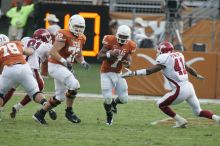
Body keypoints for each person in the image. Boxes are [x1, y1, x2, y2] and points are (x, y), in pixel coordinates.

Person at [121, 41, 220, 128]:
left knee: (160, 104)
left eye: (159, 50)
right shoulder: (179, 55)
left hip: (180, 89)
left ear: (163, 51)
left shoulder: (164, 58)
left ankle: (180, 120)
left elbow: (150, 71)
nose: (158, 52)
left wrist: (133, 73)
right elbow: (188, 67)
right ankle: (217, 118)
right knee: (198, 111)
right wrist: (196, 75)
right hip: (189, 86)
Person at [32, 14, 90, 124]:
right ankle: (69, 111)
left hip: (64, 67)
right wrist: (64, 61)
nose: (78, 29)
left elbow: (78, 54)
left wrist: (83, 62)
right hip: (56, 65)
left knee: (60, 97)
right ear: (71, 25)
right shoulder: (64, 34)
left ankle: (39, 115)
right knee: (75, 85)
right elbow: (52, 52)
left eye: (81, 27)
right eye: (76, 26)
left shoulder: (82, 38)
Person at [2, 29, 57, 120]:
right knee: (37, 90)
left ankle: (6, 107)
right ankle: (45, 106)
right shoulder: (47, 46)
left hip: (16, 65)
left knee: (9, 89)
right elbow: (50, 57)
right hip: (31, 70)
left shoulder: (25, 39)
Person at [97, 25, 137, 125]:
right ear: (117, 34)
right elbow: (99, 57)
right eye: (121, 36)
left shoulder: (130, 45)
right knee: (107, 98)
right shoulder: (109, 40)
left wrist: (128, 63)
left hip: (118, 73)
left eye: (125, 37)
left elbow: (128, 57)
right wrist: (109, 54)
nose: (123, 38)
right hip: (106, 72)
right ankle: (109, 117)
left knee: (124, 99)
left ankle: (114, 104)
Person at [42, 14, 61, 78]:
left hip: (51, 45)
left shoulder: (50, 28)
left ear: (51, 21)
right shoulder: (58, 27)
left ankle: (44, 74)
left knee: (45, 59)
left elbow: (46, 36)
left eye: (48, 21)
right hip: (59, 46)